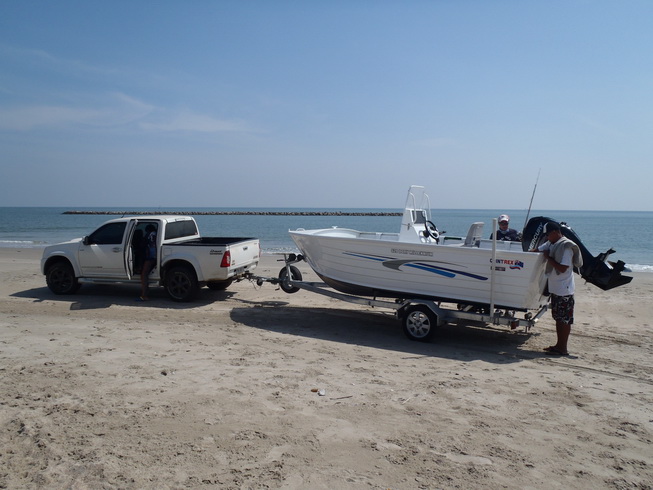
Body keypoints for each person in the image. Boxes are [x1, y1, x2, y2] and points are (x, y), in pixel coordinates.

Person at [532, 221, 583, 356]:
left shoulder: (566, 247)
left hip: (564, 290)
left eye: (548, 234)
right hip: (555, 288)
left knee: (564, 319)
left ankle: (563, 348)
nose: (547, 237)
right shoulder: (552, 243)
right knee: (558, 318)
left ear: (555, 232)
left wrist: (548, 258)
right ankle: (558, 345)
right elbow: (537, 250)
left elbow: (563, 267)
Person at [138, 224, 157, 301]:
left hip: (150, 256)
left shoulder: (149, 235)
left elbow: (144, 245)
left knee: (144, 274)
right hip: (155, 256)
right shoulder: (156, 234)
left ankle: (144, 295)